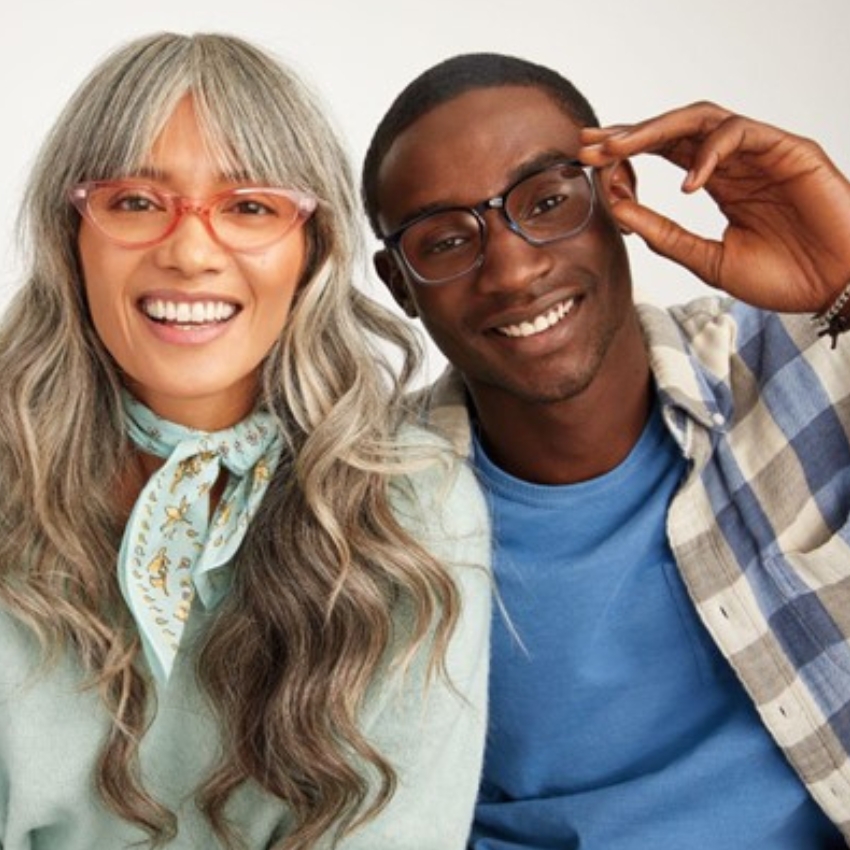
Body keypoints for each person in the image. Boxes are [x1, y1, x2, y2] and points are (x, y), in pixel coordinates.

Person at [0, 33, 491, 850]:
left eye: (250, 206)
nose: (191, 251)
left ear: (313, 250)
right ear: (69, 237)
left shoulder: (413, 510)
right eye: (134, 202)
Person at [361, 52, 850, 849]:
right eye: (446, 241)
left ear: (614, 194)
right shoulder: (361, 518)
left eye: (547, 201)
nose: (515, 271)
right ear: (399, 285)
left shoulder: (809, 355)